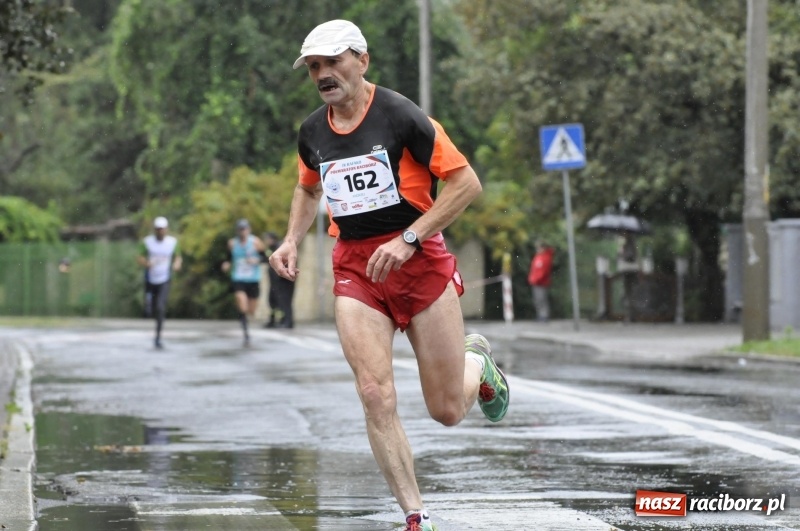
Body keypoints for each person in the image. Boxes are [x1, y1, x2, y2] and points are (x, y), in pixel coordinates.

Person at [269, 20, 509, 531]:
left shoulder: (403, 116)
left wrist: (409, 238)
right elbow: (308, 189)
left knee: (446, 410)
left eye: (333, 62)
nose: (323, 75)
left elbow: (466, 184)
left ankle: (478, 365)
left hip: (418, 263)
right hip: (356, 266)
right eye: (314, 67)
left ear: (362, 60)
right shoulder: (312, 131)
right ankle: (416, 515)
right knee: (374, 392)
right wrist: (291, 238)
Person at [137, 216, 182, 349]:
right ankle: (148, 303)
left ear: (166, 229)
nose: (160, 231)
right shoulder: (147, 242)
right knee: (150, 308)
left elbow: (178, 257)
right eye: (157, 229)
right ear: (154, 230)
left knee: (161, 308)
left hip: (164, 279)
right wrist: (147, 263)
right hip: (151, 278)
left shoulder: (172, 242)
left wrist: (177, 264)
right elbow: (139, 257)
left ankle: (158, 337)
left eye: (162, 229)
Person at [221, 219, 266, 346]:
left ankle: (244, 319)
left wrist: (256, 261)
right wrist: (226, 264)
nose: (243, 232)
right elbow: (228, 258)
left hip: (253, 279)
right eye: (240, 229)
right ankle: (246, 333)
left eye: (244, 229)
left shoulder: (256, 242)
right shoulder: (232, 244)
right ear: (237, 231)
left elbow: (266, 258)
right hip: (238, 278)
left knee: (251, 310)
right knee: (242, 303)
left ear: (249, 230)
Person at [262, 232, 295, 329]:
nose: (266, 241)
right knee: (273, 301)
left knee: (285, 301)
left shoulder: (280, 248)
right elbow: (266, 258)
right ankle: (274, 321)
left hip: (283, 281)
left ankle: (288, 322)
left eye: (268, 239)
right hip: (275, 282)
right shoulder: (271, 249)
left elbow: (289, 263)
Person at [528, 241, 555, 322]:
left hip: (541, 282)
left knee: (542, 299)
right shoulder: (538, 257)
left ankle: (544, 316)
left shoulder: (545, 258)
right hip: (536, 282)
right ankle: (540, 315)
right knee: (538, 299)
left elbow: (543, 271)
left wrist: (536, 279)